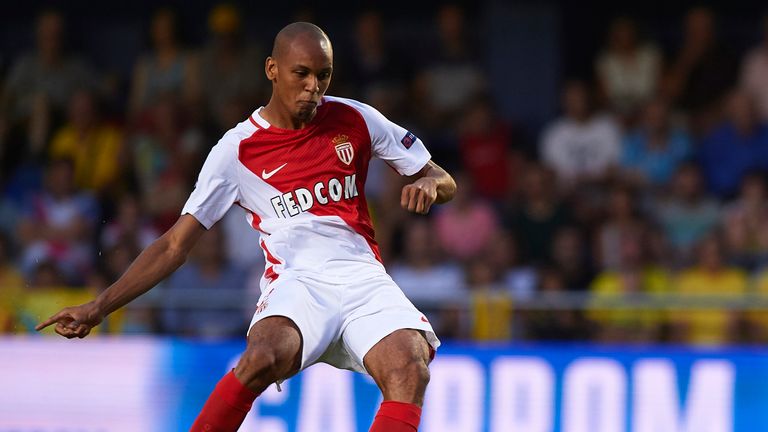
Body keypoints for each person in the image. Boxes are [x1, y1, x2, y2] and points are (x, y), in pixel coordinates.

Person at [36, 22, 456, 432]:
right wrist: (98, 307)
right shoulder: (236, 150)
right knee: (262, 358)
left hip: (362, 277)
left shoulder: (355, 117)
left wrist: (427, 182)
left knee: (410, 368)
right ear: (272, 69)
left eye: (323, 75)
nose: (314, 86)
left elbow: (441, 177)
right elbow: (173, 247)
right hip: (298, 282)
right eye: (302, 73)